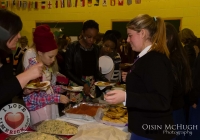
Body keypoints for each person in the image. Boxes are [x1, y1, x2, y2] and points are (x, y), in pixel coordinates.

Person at [105, 14, 175, 140]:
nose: (127, 40)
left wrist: (126, 97)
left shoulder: (155, 60)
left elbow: (161, 100)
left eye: (130, 35)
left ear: (142, 33)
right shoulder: (146, 58)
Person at [23, 25, 69, 125]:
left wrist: (59, 88)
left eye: (55, 57)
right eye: (50, 57)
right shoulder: (32, 71)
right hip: (39, 114)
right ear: (40, 53)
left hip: (48, 108)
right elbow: (31, 98)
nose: (53, 60)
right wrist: (56, 98)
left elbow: (45, 87)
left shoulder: (44, 68)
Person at [0, 9, 43, 110]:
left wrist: (23, 89)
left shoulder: (7, 55)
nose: (19, 36)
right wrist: (27, 75)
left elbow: (7, 85)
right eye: (16, 32)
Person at [65, 20, 108, 103]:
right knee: (76, 111)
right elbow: (67, 70)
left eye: (94, 38)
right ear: (82, 33)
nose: (91, 40)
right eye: (89, 37)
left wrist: (106, 81)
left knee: (90, 110)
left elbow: (95, 70)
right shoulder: (73, 47)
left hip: (91, 84)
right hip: (76, 83)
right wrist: (83, 83)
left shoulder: (95, 48)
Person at [166, 23, 192, 140]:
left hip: (173, 111)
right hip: (178, 108)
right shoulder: (179, 54)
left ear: (169, 38)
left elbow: (173, 87)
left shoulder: (173, 58)